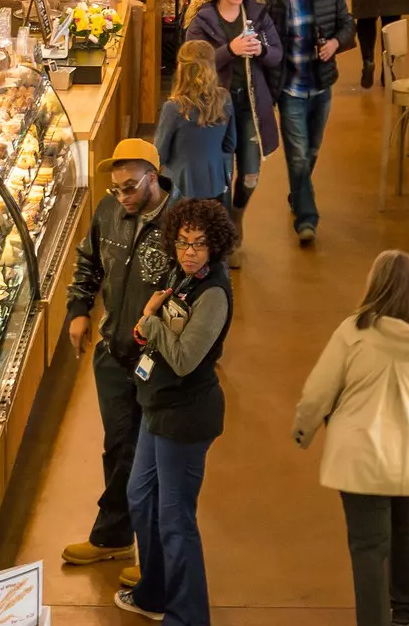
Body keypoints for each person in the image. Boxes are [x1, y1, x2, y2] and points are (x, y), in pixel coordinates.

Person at [293, 251, 409, 626]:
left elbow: (319, 391)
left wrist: (304, 430)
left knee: (368, 546)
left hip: (361, 454)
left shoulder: (352, 332)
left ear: (373, 284)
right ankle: (407, 608)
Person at [62, 138, 179, 572]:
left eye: (130, 187)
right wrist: (78, 310)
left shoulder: (180, 225)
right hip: (113, 354)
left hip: (159, 361)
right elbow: (89, 262)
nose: (123, 197)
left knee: (150, 459)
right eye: (116, 189)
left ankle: (154, 559)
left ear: (154, 177)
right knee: (118, 446)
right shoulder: (110, 211)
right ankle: (114, 538)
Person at [120, 197, 237, 625]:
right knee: (140, 496)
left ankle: (187, 616)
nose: (189, 251)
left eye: (200, 244)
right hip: (158, 404)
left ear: (215, 247)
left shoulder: (213, 294)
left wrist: (149, 321)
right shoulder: (182, 275)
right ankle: (154, 591)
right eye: (184, 242)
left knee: (175, 521)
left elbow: (186, 359)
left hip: (186, 418)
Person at [262, 0, 357, 245]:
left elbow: (347, 25)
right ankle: (307, 220)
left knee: (312, 151)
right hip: (290, 89)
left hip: (320, 86)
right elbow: (268, 42)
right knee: (298, 156)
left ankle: (298, 193)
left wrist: (334, 42)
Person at [186, 0, 281, 266]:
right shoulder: (203, 20)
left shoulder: (256, 13)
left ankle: (237, 216)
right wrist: (230, 51)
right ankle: (225, 238)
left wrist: (262, 51)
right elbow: (192, 63)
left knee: (251, 174)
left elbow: (278, 53)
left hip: (251, 107)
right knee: (223, 178)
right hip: (217, 112)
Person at [156, 41, 236, 205]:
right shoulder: (224, 98)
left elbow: (159, 155)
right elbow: (230, 144)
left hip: (179, 187)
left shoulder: (174, 107)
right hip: (215, 183)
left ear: (181, 68)